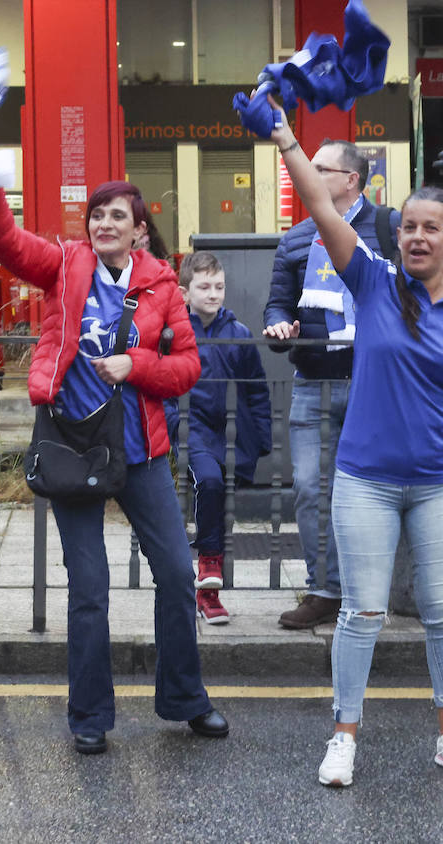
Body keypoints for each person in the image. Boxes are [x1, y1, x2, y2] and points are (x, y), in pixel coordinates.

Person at [256, 101, 443, 787]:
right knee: (363, 610)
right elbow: (321, 204)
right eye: (408, 227)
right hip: (367, 479)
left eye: (432, 228)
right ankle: (343, 736)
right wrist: (287, 139)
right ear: (397, 233)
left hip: (440, 484)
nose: (418, 237)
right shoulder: (371, 280)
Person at [0, 127, 228, 754]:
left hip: (142, 452)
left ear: (139, 229)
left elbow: (187, 367)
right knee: (90, 589)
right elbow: (2, 239)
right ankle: (89, 716)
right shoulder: (64, 265)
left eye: (118, 216)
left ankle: (185, 699)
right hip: (74, 448)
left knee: (176, 574)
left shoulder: (163, 283)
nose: (105, 224)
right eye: (97, 216)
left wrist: (140, 367)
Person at [262, 139, 399, 630]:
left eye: (320, 168)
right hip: (313, 383)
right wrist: (281, 327)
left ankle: (371, 591)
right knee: (311, 489)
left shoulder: (390, 229)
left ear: (352, 180)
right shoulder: (297, 238)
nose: (309, 174)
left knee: (374, 491)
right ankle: (325, 591)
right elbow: (277, 304)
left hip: (376, 387)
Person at [165, 251, 272, 626]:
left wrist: (262, 438)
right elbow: (161, 384)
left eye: (219, 286)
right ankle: (208, 565)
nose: (213, 293)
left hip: (230, 432)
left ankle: (208, 594)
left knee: (219, 504)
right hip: (190, 426)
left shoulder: (239, 333)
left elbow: (256, 390)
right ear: (184, 292)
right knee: (208, 482)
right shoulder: (174, 333)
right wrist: (169, 423)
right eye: (204, 286)